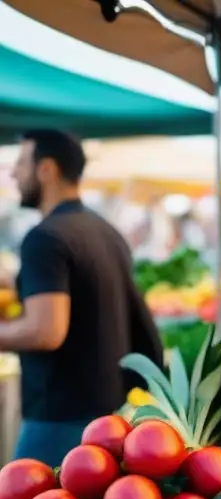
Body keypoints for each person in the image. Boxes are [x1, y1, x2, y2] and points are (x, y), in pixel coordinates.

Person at [8, 129, 163, 466]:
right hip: (107, 417)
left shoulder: (45, 238)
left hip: (57, 418)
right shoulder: (104, 231)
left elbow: (45, 331)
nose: (12, 174)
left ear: (46, 169)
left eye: (20, 164)